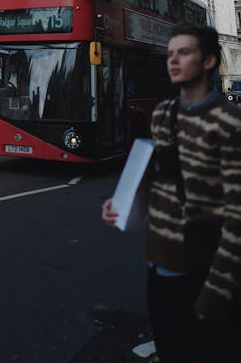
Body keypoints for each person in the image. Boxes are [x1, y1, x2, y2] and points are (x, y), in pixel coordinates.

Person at [102, 23, 241, 363]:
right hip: (160, 268)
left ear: (209, 62)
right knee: (171, 350)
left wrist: (218, 291)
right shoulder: (163, 115)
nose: (173, 61)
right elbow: (158, 182)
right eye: (170, 54)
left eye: (184, 53)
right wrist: (124, 204)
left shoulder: (230, 122)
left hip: (204, 272)